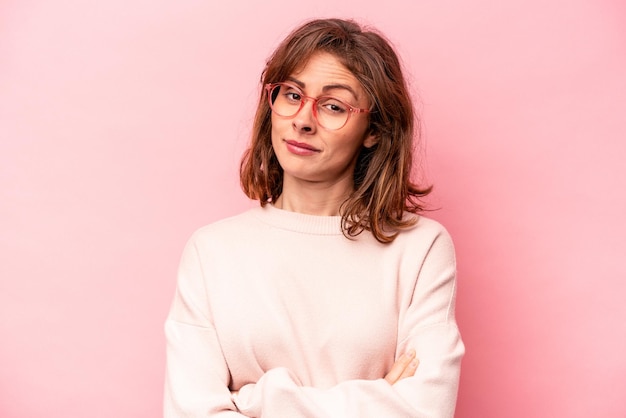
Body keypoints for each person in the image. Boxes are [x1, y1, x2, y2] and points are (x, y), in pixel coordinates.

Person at [164, 18, 464, 417]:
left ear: (373, 130)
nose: (303, 120)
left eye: (333, 106)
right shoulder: (211, 251)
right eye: (291, 95)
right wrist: (377, 399)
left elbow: (425, 410)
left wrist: (256, 401)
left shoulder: (421, 248)